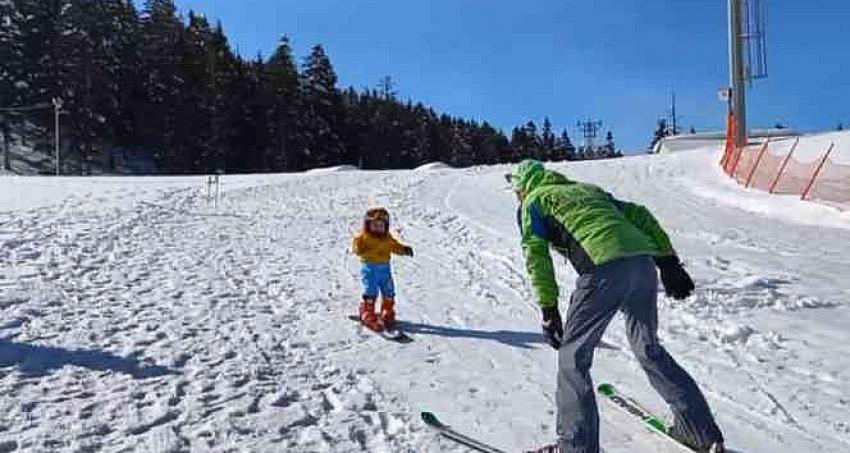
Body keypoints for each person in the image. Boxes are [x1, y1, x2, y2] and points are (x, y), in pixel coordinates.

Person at [508, 160, 724, 453]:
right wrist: (668, 260)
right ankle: (699, 431)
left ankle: (576, 447)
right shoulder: (588, 190)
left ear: (523, 187)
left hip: (602, 270)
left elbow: (535, 255)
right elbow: (641, 215)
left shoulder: (534, 201)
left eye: (516, 191)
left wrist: (548, 309)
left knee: (573, 359)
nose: (517, 197)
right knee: (648, 348)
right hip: (643, 265)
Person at [351, 206, 414, 330]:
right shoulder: (364, 237)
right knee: (371, 290)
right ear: (368, 226)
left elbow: (394, 246)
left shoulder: (387, 238)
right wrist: (358, 246)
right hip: (370, 269)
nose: (378, 229)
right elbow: (356, 248)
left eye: (381, 226)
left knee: (388, 289)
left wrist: (403, 249)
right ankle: (367, 311)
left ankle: (387, 310)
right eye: (375, 226)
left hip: (385, 269)